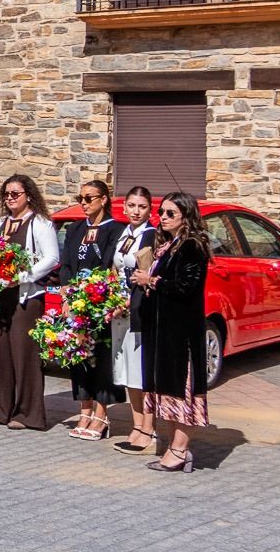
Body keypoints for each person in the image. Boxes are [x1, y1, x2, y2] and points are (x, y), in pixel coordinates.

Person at [132, 191, 211, 473]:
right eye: (161, 213)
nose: (162, 218)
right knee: (165, 391)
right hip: (162, 330)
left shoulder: (192, 246)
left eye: (170, 214)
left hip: (181, 333)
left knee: (181, 393)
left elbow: (185, 287)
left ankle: (180, 449)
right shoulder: (169, 244)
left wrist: (151, 280)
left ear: (186, 217)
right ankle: (172, 447)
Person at [0, 174, 59, 431]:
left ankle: (27, 413)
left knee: (24, 354)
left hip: (25, 296)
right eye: (7, 194)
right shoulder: (0, 223)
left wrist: (21, 277)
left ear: (28, 195)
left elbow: (50, 258)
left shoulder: (40, 223)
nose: (11, 198)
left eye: (16, 194)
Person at [59, 179, 127, 440]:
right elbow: (66, 264)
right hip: (76, 305)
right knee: (78, 357)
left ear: (104, 199)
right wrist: (67, 293)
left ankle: (101, 414)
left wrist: (95, 296)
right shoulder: (75, 229)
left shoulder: (115, 230)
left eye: (89, 198)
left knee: (100, 358)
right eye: (81, 199)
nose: (84, 204)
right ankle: (84, 410)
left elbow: (112, 265)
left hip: (99, 305)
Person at [110, 186, 159, 455]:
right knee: (127, 369)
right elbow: (115, 268)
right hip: (118, 309)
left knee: (141, 371)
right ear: (125, 207)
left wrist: (126, 302)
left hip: (137, 309)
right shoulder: (124, 233)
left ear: (149, 210)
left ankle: (147, 428)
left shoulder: (149, 235)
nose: (136, 211)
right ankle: (136, 423)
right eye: (131, 206)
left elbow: (146, 275)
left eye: (141, 207)